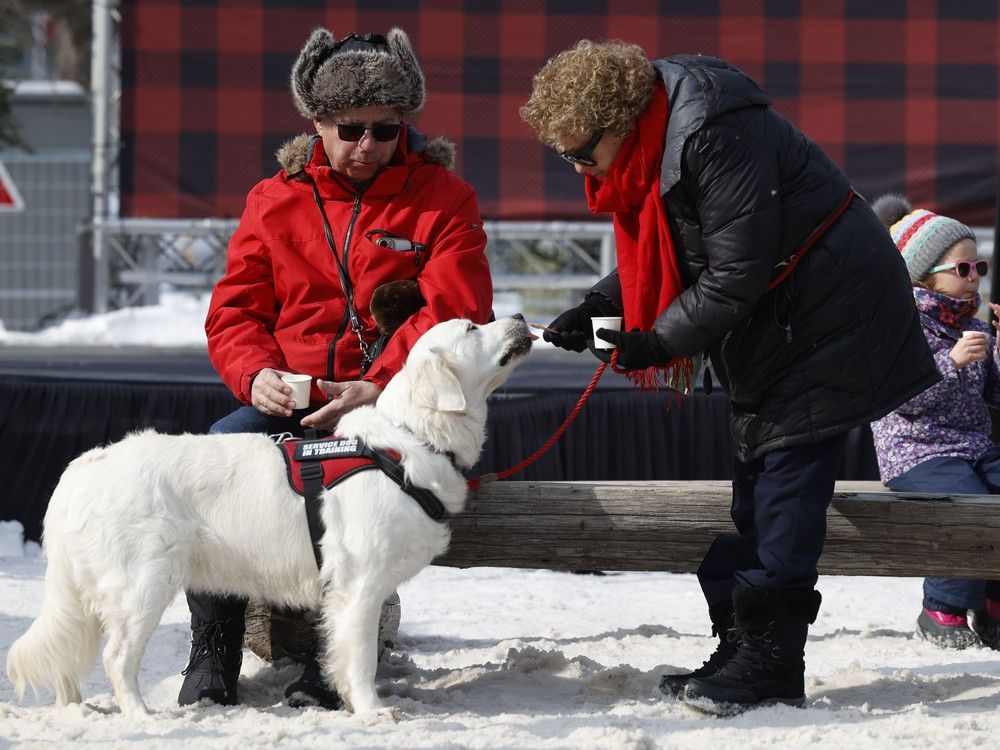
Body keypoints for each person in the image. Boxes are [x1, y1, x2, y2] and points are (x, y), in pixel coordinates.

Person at [520, 42, 938, 715]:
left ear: (620, 122)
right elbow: (681, 245)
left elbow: (732, 272)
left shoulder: (715, 135)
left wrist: (654, 341)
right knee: (755, 489)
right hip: (781, 319)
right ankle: (745, 647)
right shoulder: (662, 136)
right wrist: (599, 305)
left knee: (783, 486)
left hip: (834, 316)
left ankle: (772, 662)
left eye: (581, 151)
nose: (577, 168)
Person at [182, 27, 493, 710]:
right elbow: (233, 315)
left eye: (387, 130)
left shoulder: (445, 199)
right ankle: (212, 650)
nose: (369, 146)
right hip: (286, 396)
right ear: (315, 120)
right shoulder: (274, 199)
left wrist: (378, 383)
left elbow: (457, 314)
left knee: (352, 489)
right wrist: (256, 374)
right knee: (211, 463)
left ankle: (335, 659)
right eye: (350, 129)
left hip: (389, 407)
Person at [870, 195, 1000, 651]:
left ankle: (993, 606)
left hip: (972, 446)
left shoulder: (975, 326)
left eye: (977, 268)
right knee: (967, 504)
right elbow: (903, 398)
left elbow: (995, 396)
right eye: (962, 270)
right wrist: (952, 362)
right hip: (917, 449)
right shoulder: (899, 323)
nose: (973, 279)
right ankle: (940, 607)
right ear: (923, 276)